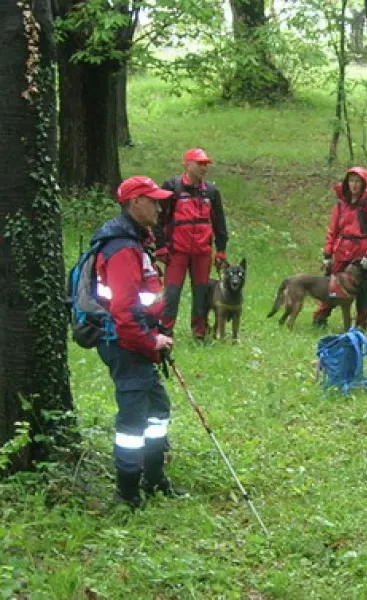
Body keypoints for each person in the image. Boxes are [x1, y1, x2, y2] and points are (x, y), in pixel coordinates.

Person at [94, 175, 182, 508]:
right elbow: (125, 312)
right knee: (132, 423)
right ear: (135, 203)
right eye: (154, 201)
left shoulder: (136, 240)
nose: (160, 207)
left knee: (158, 410)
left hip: (139, 341)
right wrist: (151, 343)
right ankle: (127, 493)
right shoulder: (121, 249)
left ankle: (154, 478)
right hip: (126, 344)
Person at [155, 148, 229, 340]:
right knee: (171, 293)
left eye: (206, 164)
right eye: (200, 163)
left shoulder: (211, 191)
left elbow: (219, 222)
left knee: (201, 294)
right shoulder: (171, 187)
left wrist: (221, 250)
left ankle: (199, 333)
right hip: (176, 251)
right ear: (187, 164)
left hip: (202, 252)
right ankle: (165, 331)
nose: (204, 168)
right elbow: (158, 219)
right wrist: (160, 246)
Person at [312, 166, 367, 329]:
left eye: (357, 181)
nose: (354, 185)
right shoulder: (341, 204)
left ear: (364, 183)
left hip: (361, 252)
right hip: (342, 249)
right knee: (331, 286)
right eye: (351, 181)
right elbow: (332, 230)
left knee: (362, 289)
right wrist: (327, 254)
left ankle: (361, 322)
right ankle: (320, 317)